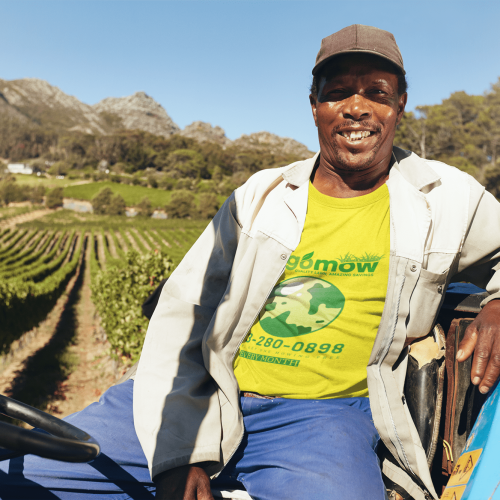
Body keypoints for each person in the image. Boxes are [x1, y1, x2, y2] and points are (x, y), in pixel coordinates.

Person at [1, 24, 499, 500]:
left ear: (399, 106)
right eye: (338, 92)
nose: (356, 108)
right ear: (314, 106)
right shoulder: (259, 196)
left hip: (322, 420)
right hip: (206, 393)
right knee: (21, 479)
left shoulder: (444, 196)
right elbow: (182, 315)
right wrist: (181, 450)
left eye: (377, 92)